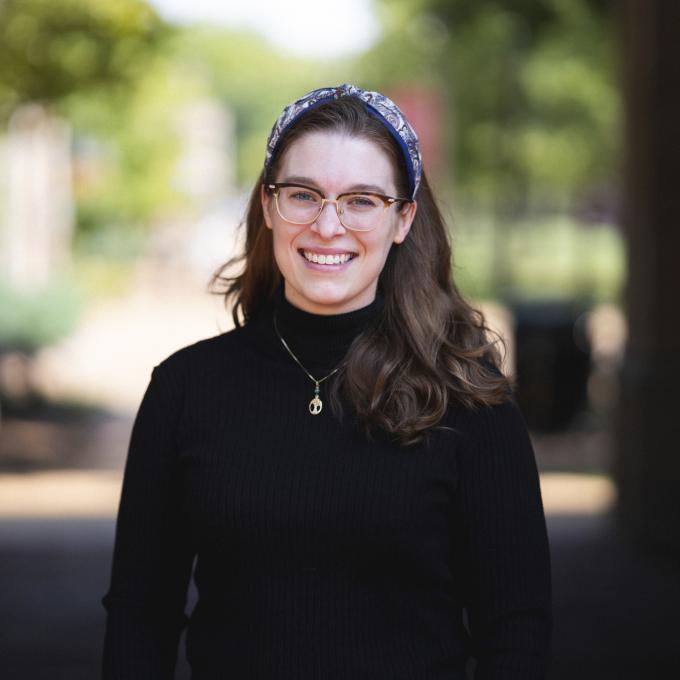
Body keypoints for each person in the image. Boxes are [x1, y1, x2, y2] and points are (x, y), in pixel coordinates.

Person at [101, 83, 552, 679]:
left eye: (362, 200)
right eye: (304, 195)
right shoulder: (185, 389)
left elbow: (515, 626)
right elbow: (141, 615)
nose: (329, 225)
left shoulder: (469, 398)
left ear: (402, 218)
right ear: (268, 207)